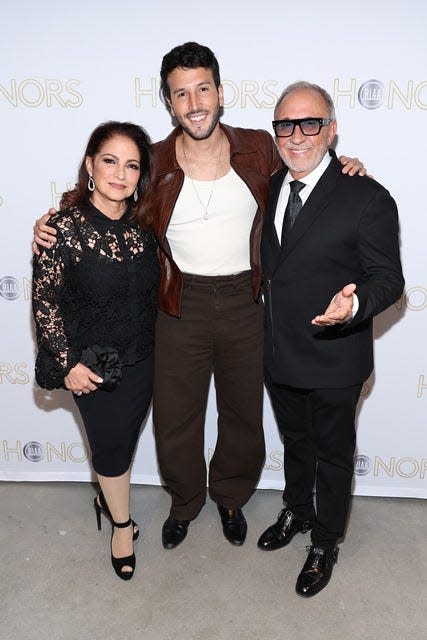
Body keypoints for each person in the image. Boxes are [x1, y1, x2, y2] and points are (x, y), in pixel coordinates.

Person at [32, 43, 364, 551]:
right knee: (176, 415)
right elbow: (104, 200)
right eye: (180, 94)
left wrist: (345, 167)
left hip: (246, 300)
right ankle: (185, 503)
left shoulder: (258, 147)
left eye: (202, 89)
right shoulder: (154, 161)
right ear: (169, 103)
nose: (194, 103)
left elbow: (309, 157)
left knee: (241, 412)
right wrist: (50, 224)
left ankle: (230, 497)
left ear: (220, 93)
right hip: (177, 301)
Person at [258, 82, 404, 597]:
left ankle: (325, 540)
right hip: (278, 353)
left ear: (332, 128)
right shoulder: (272, 184)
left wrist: (355, 304)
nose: (296, 135)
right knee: (295, 444)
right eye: (285, 125)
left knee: (334, 454)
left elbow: (389, 280)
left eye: (310, 123)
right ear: (275, 132)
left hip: (333, 357)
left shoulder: (366, 196)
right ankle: (297, 511)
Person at [32, 121, 159, 580]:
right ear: (90, 164)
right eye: (110, 161)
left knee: (122, 445)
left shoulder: (145, 226)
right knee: (110, 450)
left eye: (131, 165)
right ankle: (122, 525)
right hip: (94, 366)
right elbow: (44, 300)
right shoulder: (60, 231)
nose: (120, 174)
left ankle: (105, 495)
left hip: (145, 357)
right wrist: (66, 364)